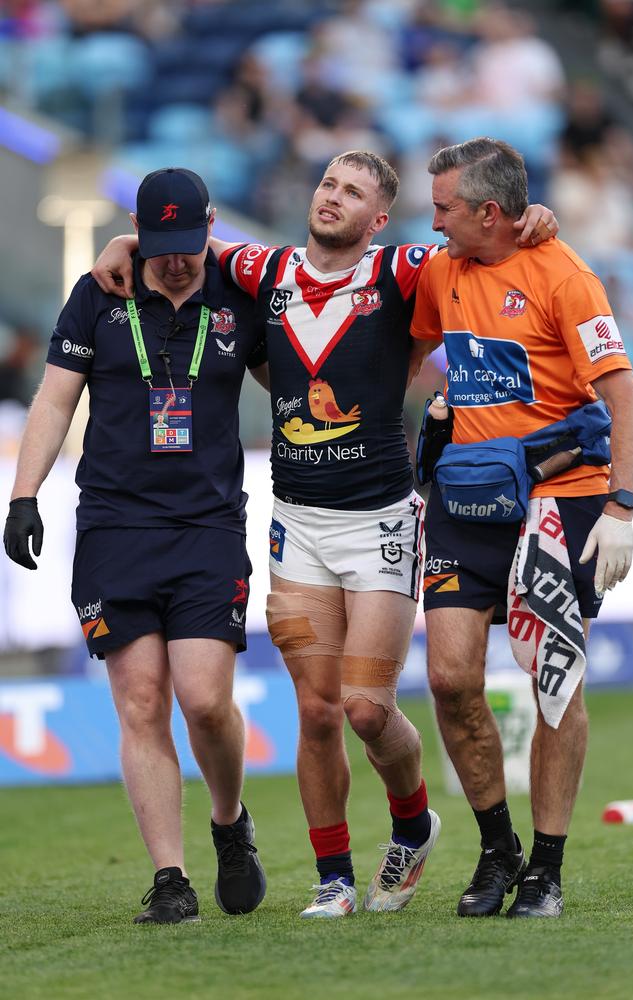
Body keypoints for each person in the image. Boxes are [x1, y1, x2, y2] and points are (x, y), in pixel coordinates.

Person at [91, 150, 556, 918]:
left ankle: (412, 827)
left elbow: (482, 244)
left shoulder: (403, 270)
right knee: (316, 712)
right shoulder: (260, 268)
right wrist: (126, 244)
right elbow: (183, 237)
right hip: (297, 525)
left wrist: (538, 221)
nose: (333, 196)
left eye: (355, 191)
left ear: (379, 219)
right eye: (328, 183)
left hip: (379, 522)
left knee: (367, 710)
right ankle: (334, 876)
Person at [3, 167, 269, 925]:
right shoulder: (99, 294)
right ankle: (171, 877)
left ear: (212, 227)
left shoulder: (240, 294)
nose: (177, 261)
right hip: (116, 526)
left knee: (206, 700)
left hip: (209, 525)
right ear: (138, 228)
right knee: (142, 700)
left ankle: (229, 823)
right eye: (162, 245)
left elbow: (285, 385)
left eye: (191, 245)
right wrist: (23, 495)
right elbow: (55, 398)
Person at [410, 137, 633, 918]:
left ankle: (544, 870)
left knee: (554, 690)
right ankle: (496, 847)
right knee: (449, 680)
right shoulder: (441, 267)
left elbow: (627, 400)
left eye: (444, 206)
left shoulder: (565, 276)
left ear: (488, 211)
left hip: (562, 504)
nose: (432, 219)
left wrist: (620, 507)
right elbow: (407, 352)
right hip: (466, 498)